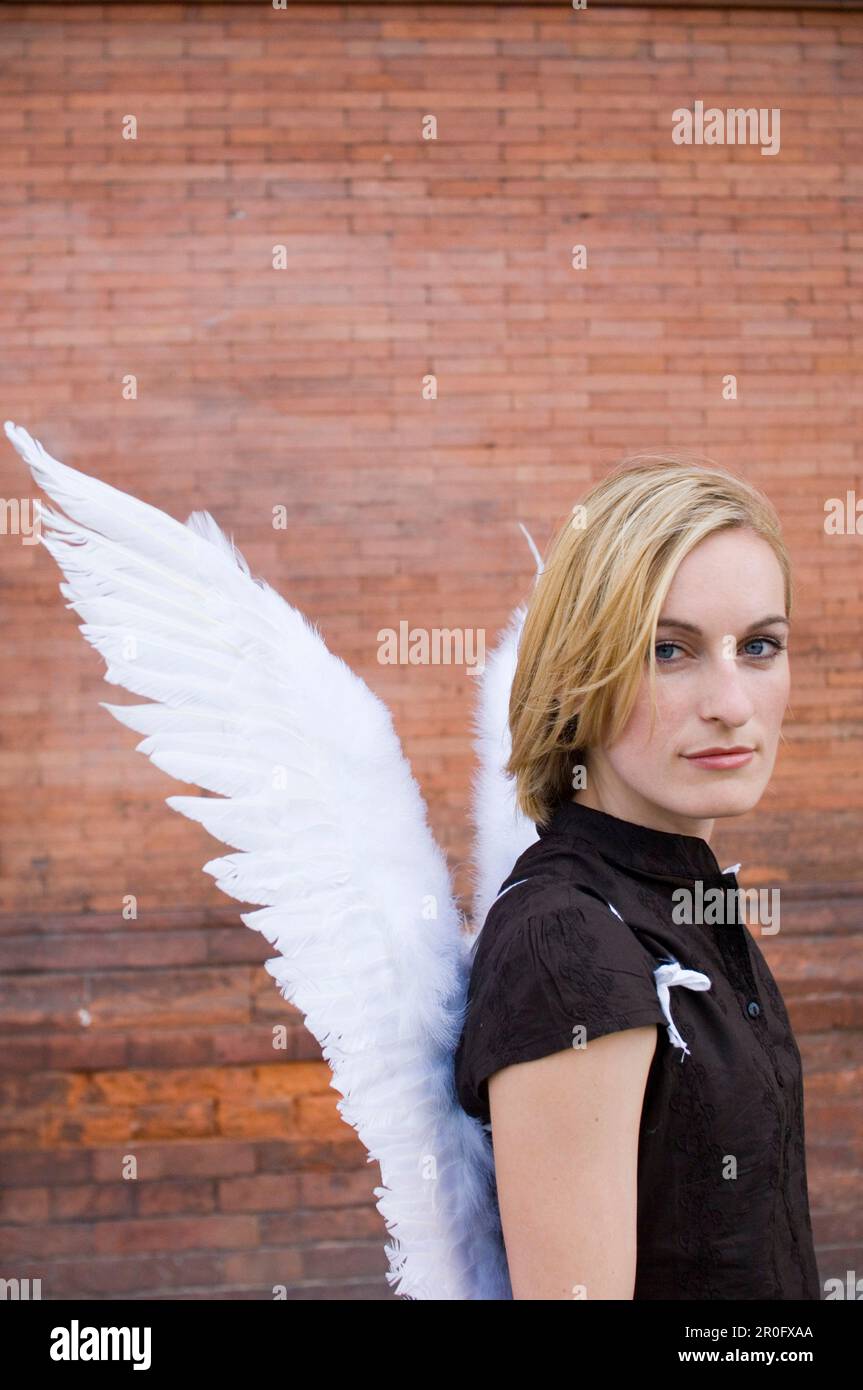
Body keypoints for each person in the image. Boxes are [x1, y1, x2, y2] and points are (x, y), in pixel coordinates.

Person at [454, 454, 821, 1300]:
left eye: (759, 646)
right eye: (668, 650)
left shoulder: (671, 896)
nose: (730, 700)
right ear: (580, 673)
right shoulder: (572, 941)